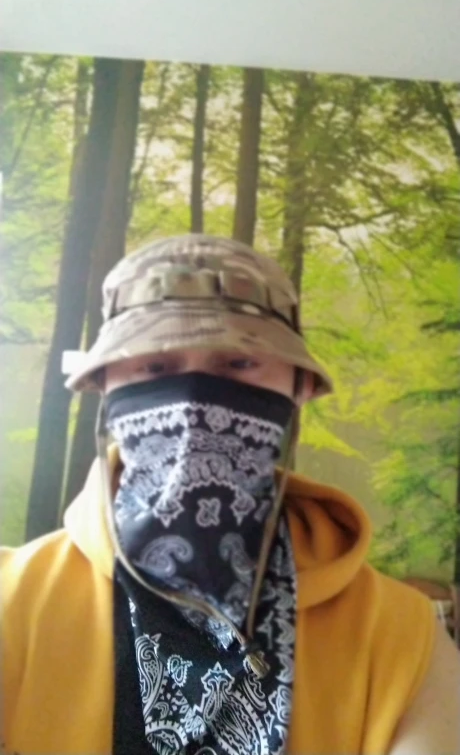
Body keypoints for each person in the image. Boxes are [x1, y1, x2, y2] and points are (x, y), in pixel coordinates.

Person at [1, 233, 459, 755]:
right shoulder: (14, 603)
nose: (194, 400)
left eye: (238, 364)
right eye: (155, 367)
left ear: (301, 388)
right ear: (104, 385)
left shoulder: (401, 637)